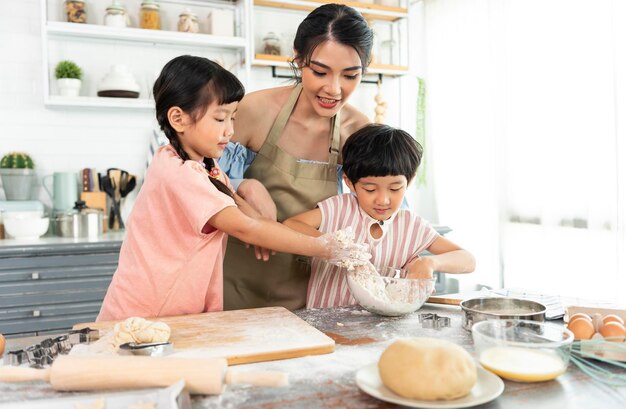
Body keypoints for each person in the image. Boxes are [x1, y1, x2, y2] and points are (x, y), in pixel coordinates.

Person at [97, 55, 368, 321]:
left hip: (178, 316)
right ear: (178, 119)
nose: (229, 131)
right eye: (219, 119)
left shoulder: (207, 167)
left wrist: (262, 224)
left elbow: (249, 216)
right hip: (144, 316)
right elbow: (244, 227)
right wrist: (323, 248)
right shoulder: (178, 175)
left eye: (233, 118)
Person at [221, 4, 374, 310]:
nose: (334, 88)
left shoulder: (359, 133)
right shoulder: (254, 111)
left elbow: (383, 211)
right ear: (298, 58)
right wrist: (244, 186)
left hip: (315, 297)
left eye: (350, 75)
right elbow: (199, 177)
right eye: (320, 72)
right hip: (235, 286)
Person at [284, 124, 476, 308]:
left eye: (395, 188)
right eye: (369, 189)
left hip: (382, 328)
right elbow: (291, 224)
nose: (383, 200)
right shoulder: (339, 208)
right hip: (326, 326)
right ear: (350, 183)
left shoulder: (411, 226)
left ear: (409, 182)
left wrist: (429, 262)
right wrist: (332, 246)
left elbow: (468, 260)